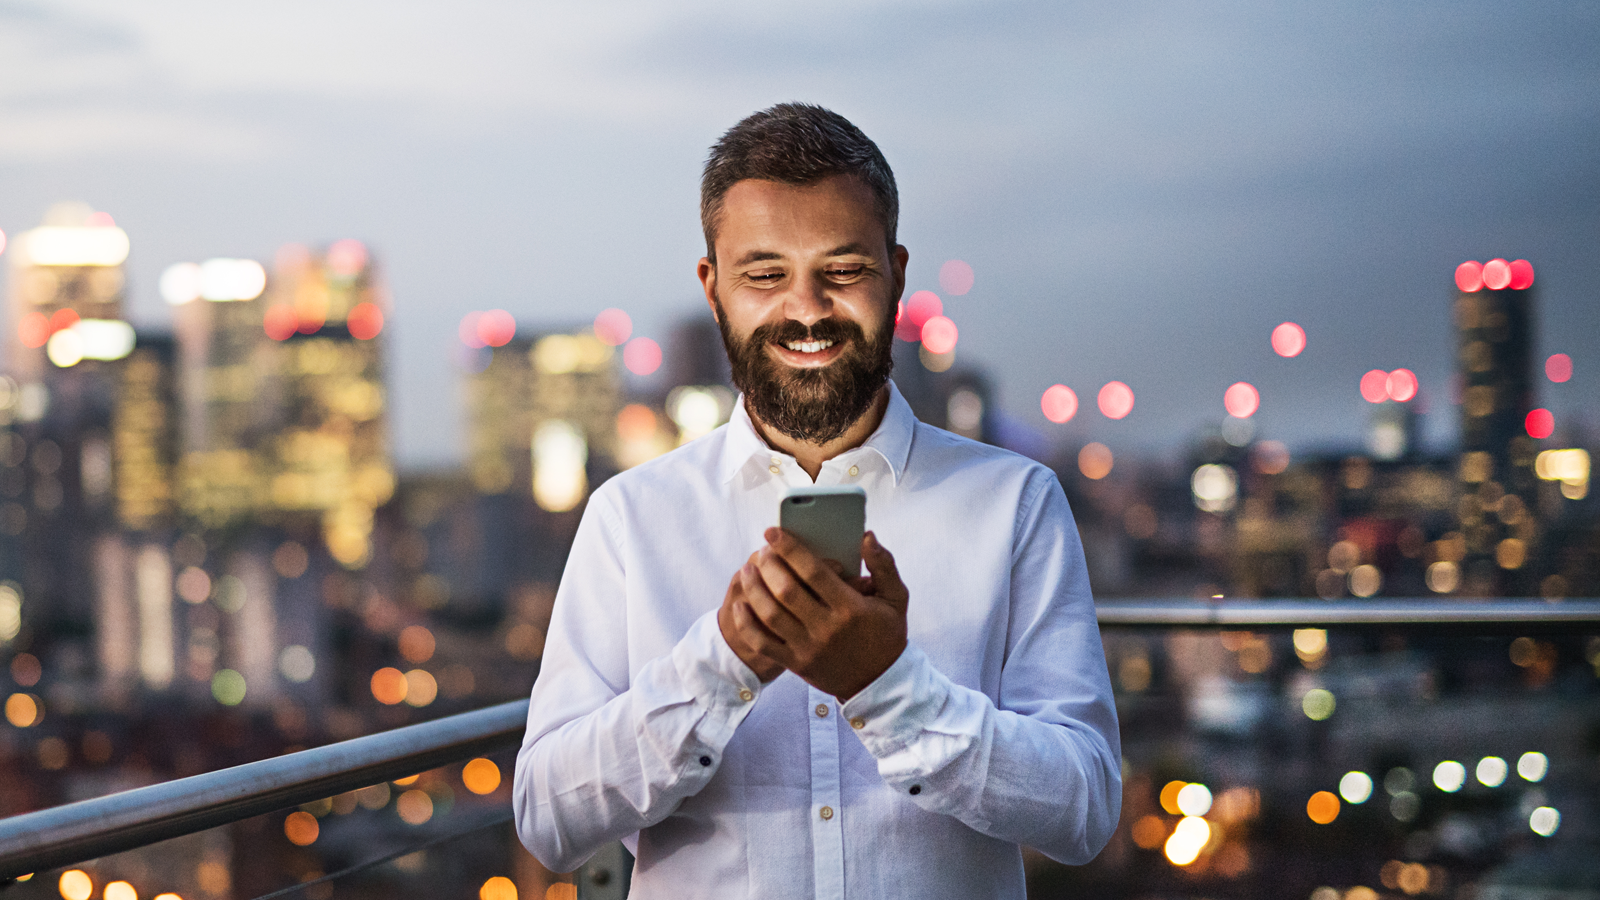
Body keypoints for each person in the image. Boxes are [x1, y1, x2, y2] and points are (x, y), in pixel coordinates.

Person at [513, 102, 1121, 899]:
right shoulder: (631, 518)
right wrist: (722, 664)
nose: (805, 310)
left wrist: (890, 687)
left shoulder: (1014, 503)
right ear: (714, 286)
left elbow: (1084, 811)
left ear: (897, 275)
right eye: (765, 274)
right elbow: (547, 820)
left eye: (843, 270)